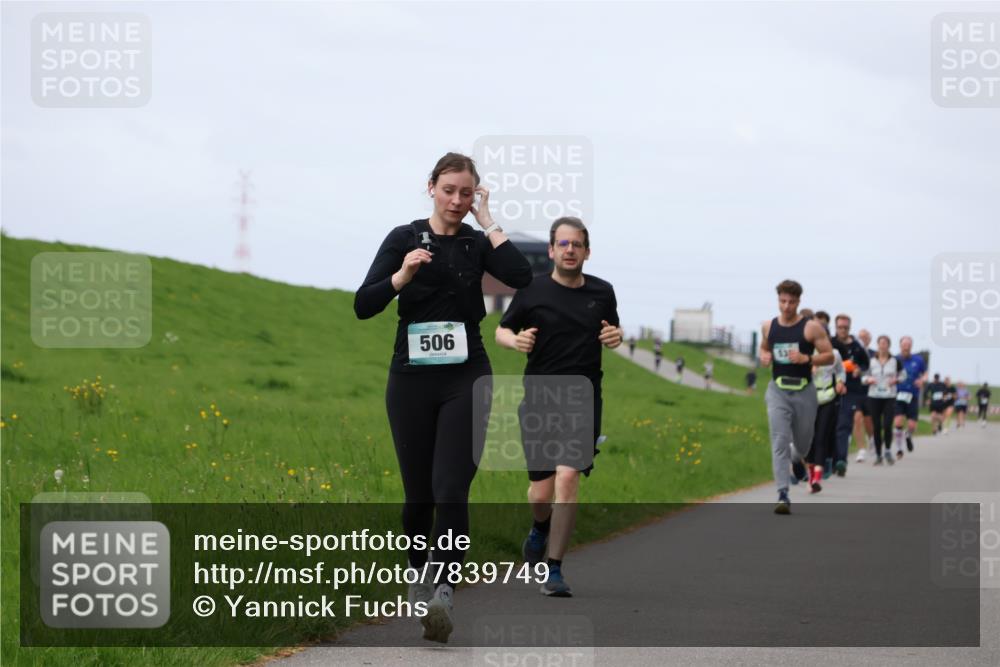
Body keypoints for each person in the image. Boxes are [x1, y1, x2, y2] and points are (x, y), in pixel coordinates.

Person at [353, 152, 532, 643]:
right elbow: (363, 305)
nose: (457, 200)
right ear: (430, 186)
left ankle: (444, 592)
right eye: (449, 189)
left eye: (466, 193)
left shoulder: (477, 243)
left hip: (467, 376)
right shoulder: (403, 237)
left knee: (452, 488)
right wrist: (402, 277)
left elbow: (521, 276)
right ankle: (418, 573)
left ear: (476, 196)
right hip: (410, 377)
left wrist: (490, 221)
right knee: (419, 495)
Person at [496, 216, 622, 598]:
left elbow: (612, 330)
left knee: (568, 479)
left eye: (577, 244)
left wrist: (616, 335)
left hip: (582, 398)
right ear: (551, 250)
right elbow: (502, 329)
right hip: (539, 399)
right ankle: (538, 528)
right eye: (563, 244)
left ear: (587, 251)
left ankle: (554, 570)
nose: (570, 250)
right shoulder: (532, 291)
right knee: (539, 493)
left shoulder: (603, 292)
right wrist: (514, 341)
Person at [759, 280, 834, 514]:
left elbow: (830, 356)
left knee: (802, 444)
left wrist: (807, 359)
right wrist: (764, 356)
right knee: (779, 441)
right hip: (778, 391)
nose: (786, 306)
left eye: (791, 302)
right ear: (778, 300)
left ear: (799, 301)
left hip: (804, 391)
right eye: (782, 301)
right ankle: (782, 494)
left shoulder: (811, 328)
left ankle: (796, 458)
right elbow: (764, 347)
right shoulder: (768, 326)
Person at [807, 311, 845, 492]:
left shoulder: (835, 354)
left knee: (821, 436)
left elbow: (841, 371)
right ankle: (810, 473)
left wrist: (839, 382)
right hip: (809, 399)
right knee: (809, 439)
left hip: (828, 397)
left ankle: (816, 478)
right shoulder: (807, 353)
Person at [830, 314, 870, 477]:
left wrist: (858, 369)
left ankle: (841, 461)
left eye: (846, 328)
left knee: (844, 425)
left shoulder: (857, 346)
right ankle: (829, 461)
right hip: (830, 389)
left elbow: (865, 364)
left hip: (851, 390)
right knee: (829, 426)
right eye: (840, 327)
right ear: (836, 327)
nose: (843, 330)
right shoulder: (830, 343)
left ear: (850, 328)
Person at [864, 335, 900, 465]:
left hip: (889, 396)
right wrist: (868, 379)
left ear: (888, 346)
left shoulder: (895, 361)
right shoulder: (871, 360)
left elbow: (903, 375)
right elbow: (864, 376)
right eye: (880, 343)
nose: (882, 345)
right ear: (878, 345)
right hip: (874, 396)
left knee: (887, 425)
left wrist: (896, 380)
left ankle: (888, 451)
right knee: (877, 427)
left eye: (885, 343)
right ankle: (879, 454)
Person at [893, 336, 926, 454]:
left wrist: (922, 380)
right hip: (898, 394)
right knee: (897, 422)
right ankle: (899, 448)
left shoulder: (918, 360)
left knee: (912, 425)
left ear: (911, 346)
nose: (906, 347)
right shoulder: (895, 359)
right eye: (904, 345)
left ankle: (908, 435)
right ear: (900, 346)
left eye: (908, 345)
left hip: (912, 395)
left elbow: (925, 373)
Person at [856, 328, 876, 461]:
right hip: (855, 391)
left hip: (870, 392)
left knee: (869, 421)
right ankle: (861, 449)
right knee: (856, 418)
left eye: (865, 337)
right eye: (860, 337)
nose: (863, 339)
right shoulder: (853, 353)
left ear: (869, 339)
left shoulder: (875, 354)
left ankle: (872, 440)